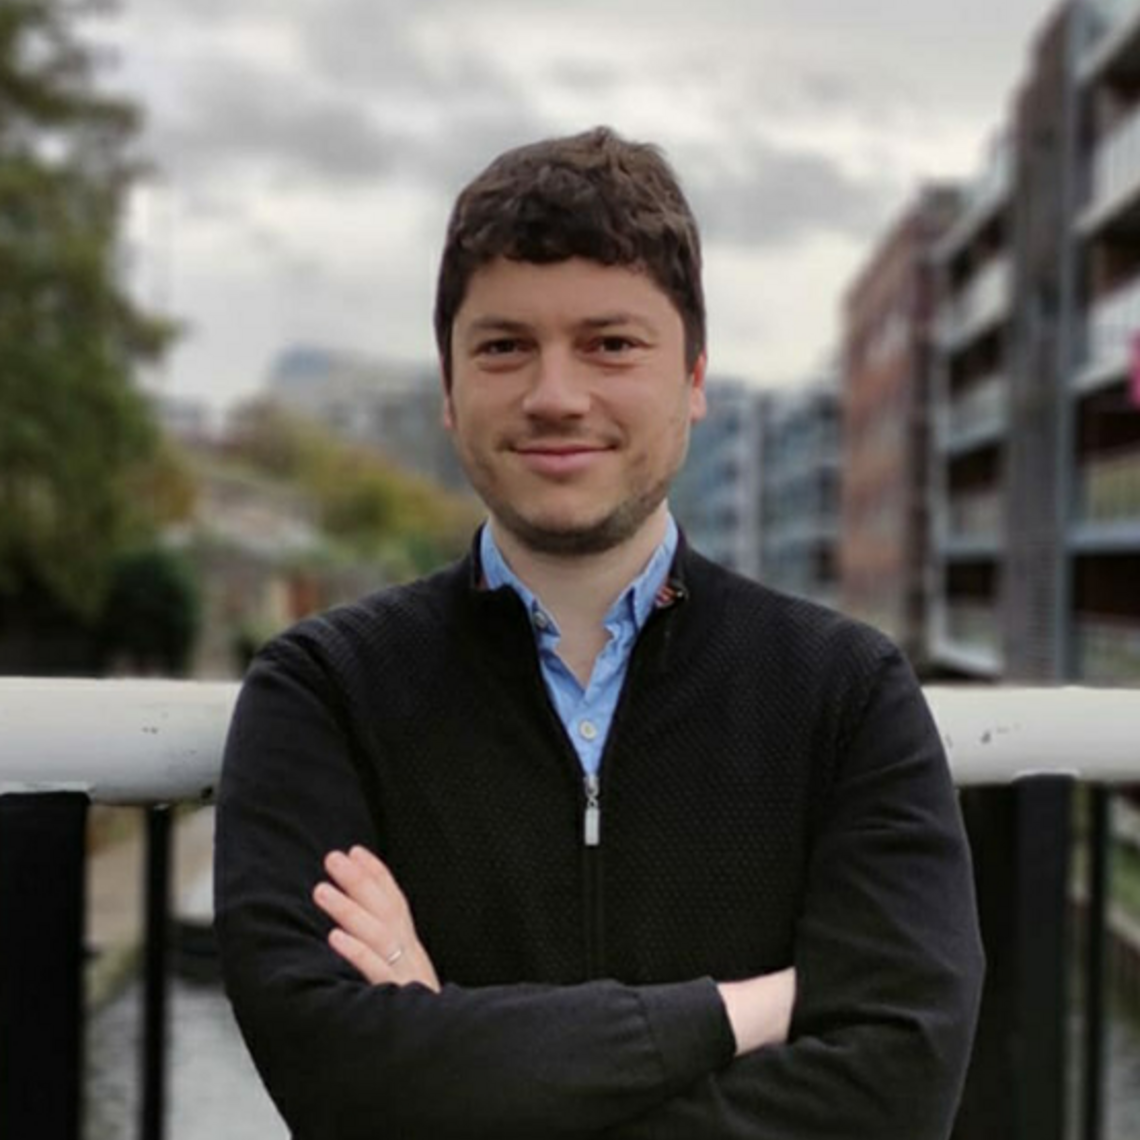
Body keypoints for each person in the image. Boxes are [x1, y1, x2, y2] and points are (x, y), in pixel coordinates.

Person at [215, 126, 984, 1140]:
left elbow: (896, 1090)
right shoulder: (325, 692)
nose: (555, 395)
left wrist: (450, 1047)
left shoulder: (845, 695)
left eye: (610, 344)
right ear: (449, 389)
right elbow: (335, 1075)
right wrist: (733, 1015)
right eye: (504, 347)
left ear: (696, 378)